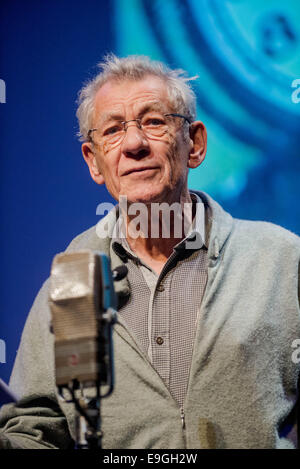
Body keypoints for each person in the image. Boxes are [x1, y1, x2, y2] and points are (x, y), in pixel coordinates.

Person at [0, 54, 300, 449]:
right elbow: (33, 430)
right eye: (112, 131)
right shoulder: (73, 279)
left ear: (194, 143)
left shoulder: (279, 259)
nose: (134, 144)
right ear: (94, 162)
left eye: (154, 122)